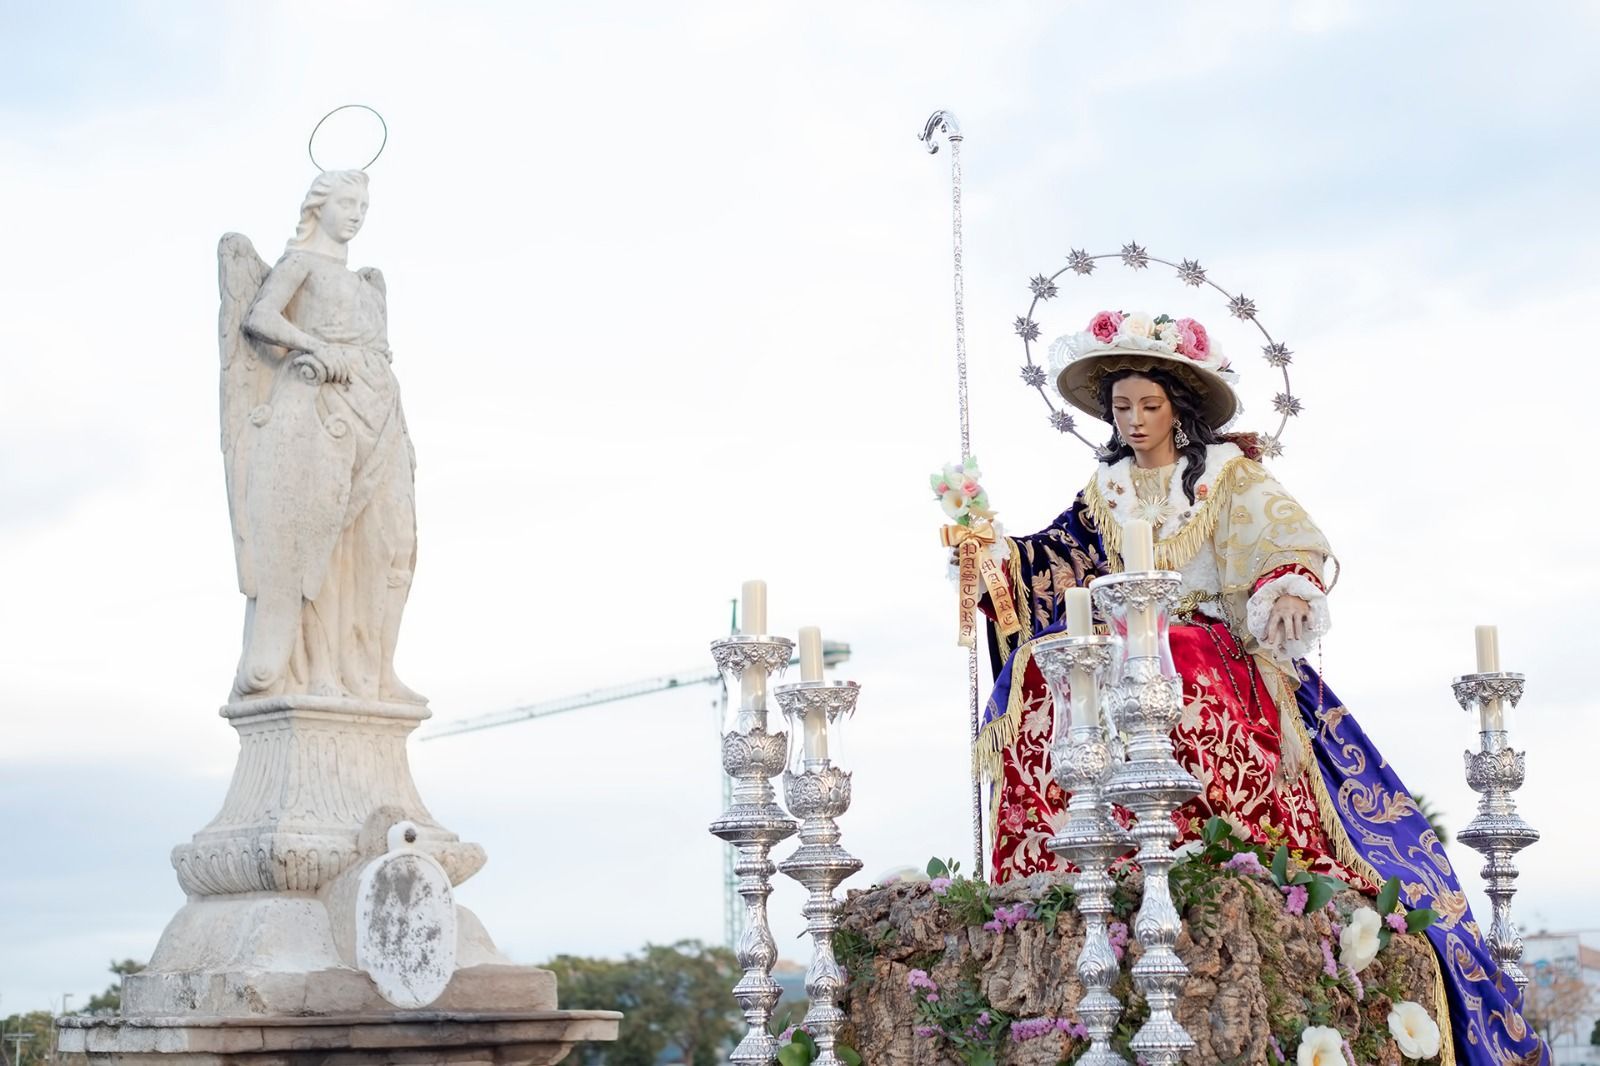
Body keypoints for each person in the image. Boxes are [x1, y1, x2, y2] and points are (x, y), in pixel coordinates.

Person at [974, 309, 1542, 1065]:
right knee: (1044, 662)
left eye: (1149, 405)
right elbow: (1052, 562)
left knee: (1170, 651)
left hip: (1211, 643)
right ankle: (1070, 844)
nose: (1135, 421)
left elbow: (1285, 540)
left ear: (1179, 407)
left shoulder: (1227, 477)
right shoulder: (1103, 491)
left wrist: (1287, 586)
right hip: (1120, 641)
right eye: (1121, 407)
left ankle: (1197, 829)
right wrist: (991, 554)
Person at [218, 169, 422, 704]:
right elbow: (260, 317)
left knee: (393, 543)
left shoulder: (367, 283)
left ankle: (377, 670)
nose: (357, 214)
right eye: (347, 203)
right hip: (324, 407)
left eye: (364, 206)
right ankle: (319, 669)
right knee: (323, 546)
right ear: (318, 207)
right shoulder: (301, 263)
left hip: (382, 409)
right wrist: (313, 346)